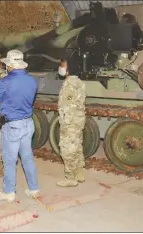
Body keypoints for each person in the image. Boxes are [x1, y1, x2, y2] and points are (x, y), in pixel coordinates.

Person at [0, 49, 40, 202]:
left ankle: (9, 192)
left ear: (11, 65)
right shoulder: (32, 80)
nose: (7, 67)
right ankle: (33, 189)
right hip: (28, 124)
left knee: (9, 159)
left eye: (7, 64)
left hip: (12, 126)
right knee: (27, 157)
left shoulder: (6, 81)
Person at [56, 59, 87, 187]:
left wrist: (64, 124)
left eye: (62, 66)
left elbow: (66, 107)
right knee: (78, 146)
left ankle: (70, 178)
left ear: (68, 68)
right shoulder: (80, 82)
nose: (61, 68)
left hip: (70, 121)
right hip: (79, 120)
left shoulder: (69, 84)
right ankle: (80, 173)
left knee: (67, 148)